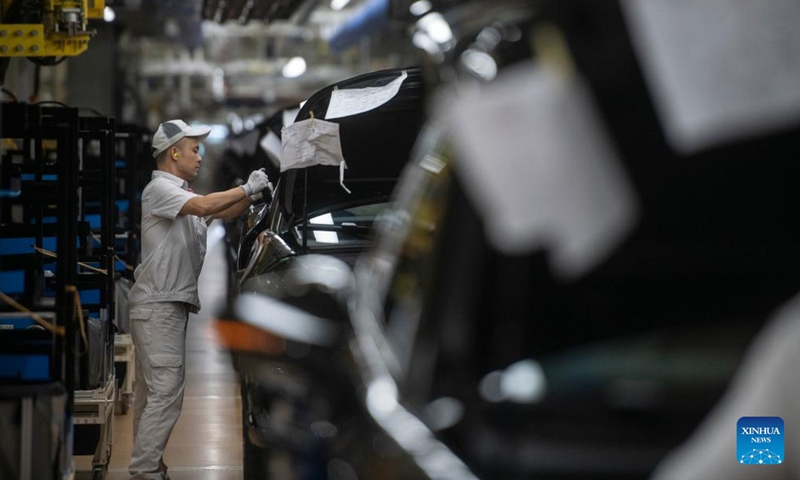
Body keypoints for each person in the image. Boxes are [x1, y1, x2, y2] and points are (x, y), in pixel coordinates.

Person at [126, 119, 271, 480]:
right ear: (173, 152)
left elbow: (219, 211)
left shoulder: (181, 194)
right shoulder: (160, 189)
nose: (200, 156)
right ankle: (145, 472)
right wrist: (244, 188)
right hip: (158, 307)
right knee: (166, 393)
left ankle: (149, 466)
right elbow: (207, 206)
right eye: (194, 149)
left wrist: (250, 195)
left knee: (153, 395)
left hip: (164, 306)